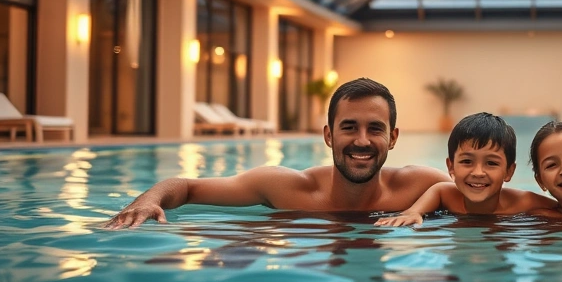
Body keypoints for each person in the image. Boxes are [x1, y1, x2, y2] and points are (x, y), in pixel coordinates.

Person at [104, 78, 450, 229]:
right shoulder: (285, 188)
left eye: (375, 129)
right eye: (349, 127)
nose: (362, 140)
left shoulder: (420, 187)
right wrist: (148, 201)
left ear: (393, 138)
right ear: (328, 136)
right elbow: (186, 187)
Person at [374, 113, 558, 227]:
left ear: (509, 171)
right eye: (467, 161)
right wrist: (414, 211)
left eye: (491, 163)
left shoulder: (523, 202)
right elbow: (438, 190)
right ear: (451, 167)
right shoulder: (448, 195)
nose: (478, 172)